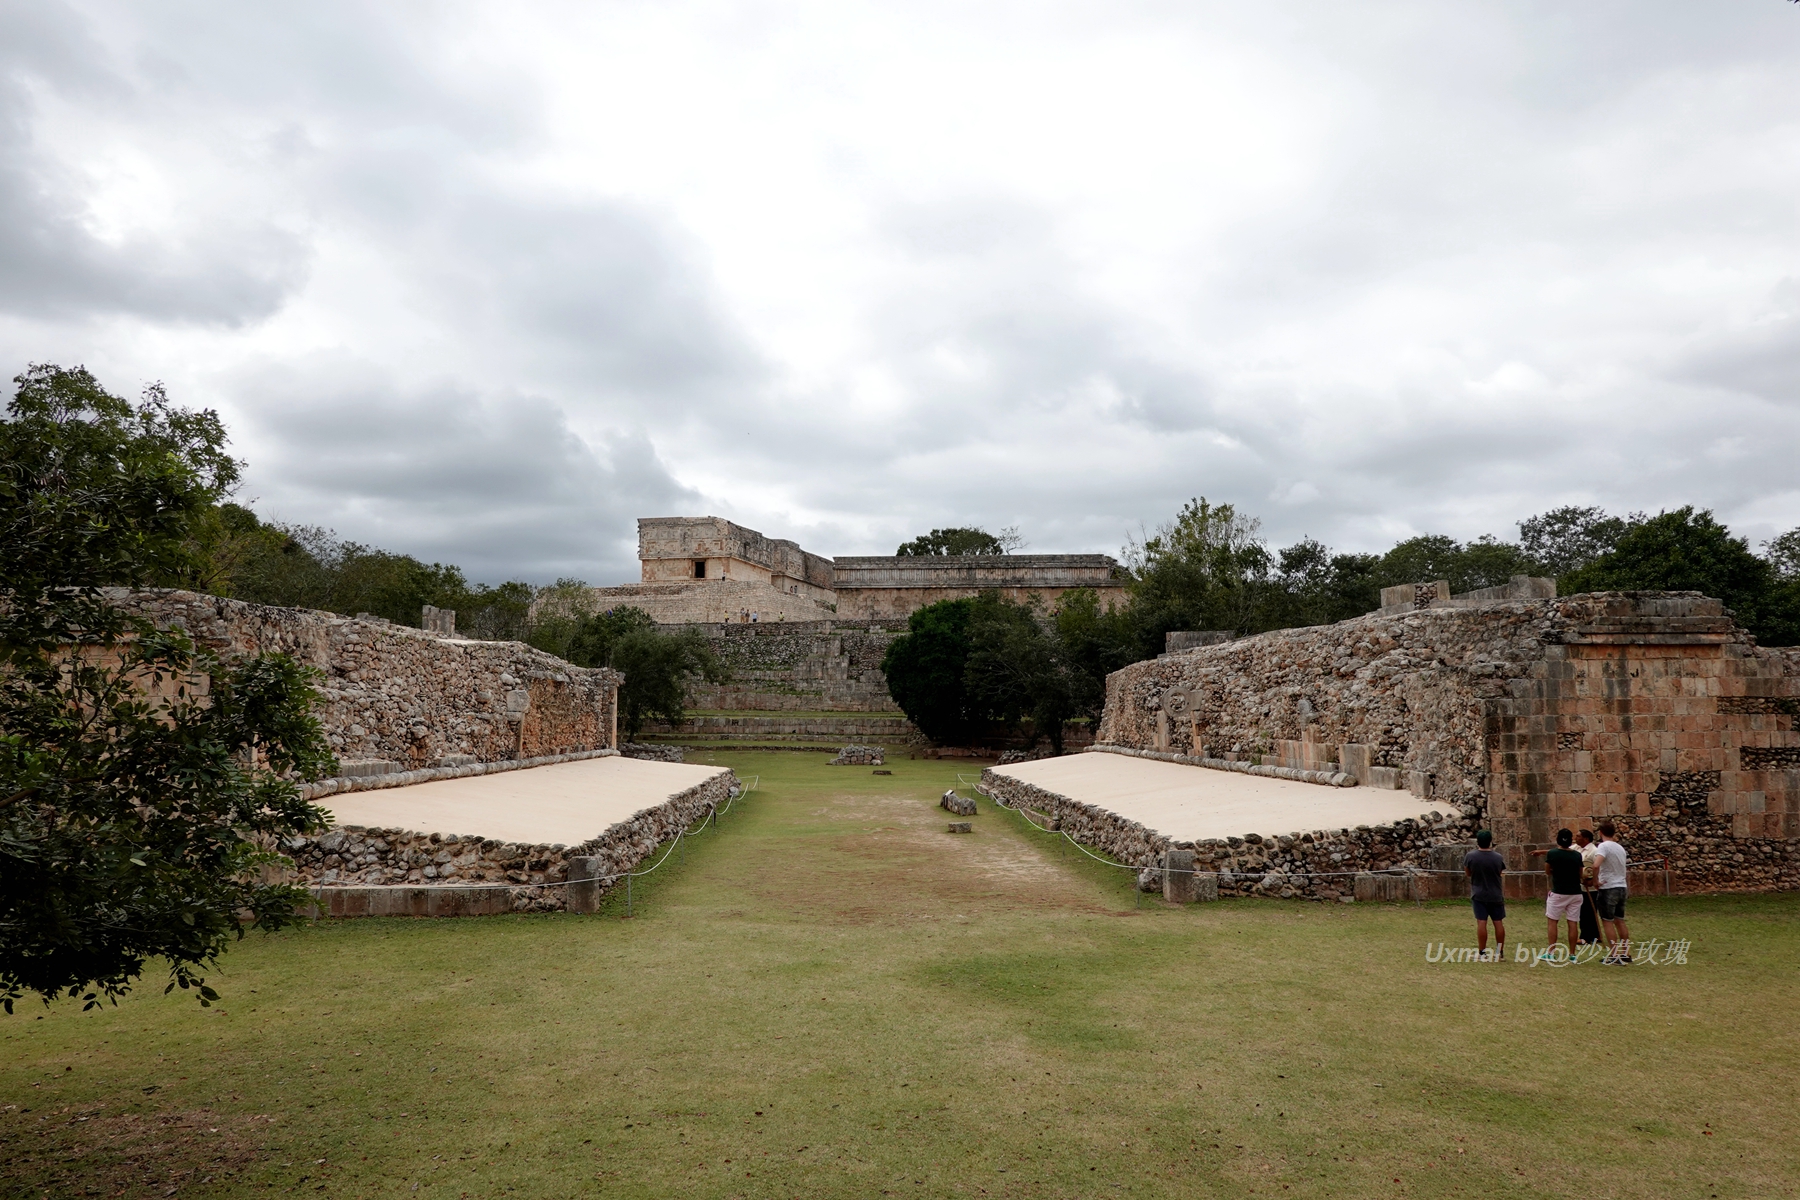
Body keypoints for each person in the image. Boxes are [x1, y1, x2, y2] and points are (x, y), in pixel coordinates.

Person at [1463, 830, 1507, 962]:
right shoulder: (1498, 857)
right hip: (1495, 894)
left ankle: (1482, 952)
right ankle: (1500, 953)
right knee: (1498, 922)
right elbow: (1500, 871)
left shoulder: (1470, 856)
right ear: (1490, 842)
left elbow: (1468, 873)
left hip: (1479, 894)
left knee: (1482, 922)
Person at [1543, 828, 1585, 960]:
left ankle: (1551, 952)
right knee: (1573, 922)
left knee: (1552, 921)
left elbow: (1547, 871)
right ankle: (1572, 954)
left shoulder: (1553, 854)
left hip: (1559, 891)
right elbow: (1581, 873)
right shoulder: (1577, 855)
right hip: (1575, 892)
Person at [1594, 821, 1631, 964]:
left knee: (1607, 921)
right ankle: (1625, 952)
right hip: (1621, 886)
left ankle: (1614, 953)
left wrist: (1595, 881)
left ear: (1601, 832)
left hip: (1608, 887)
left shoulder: (1603, 846)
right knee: (1619, 920)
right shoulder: (1619, 847)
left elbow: (1596, 864)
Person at [1576, 829, 1602, 945]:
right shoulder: (1576, 848)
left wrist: (1592, 880)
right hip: (1581, 886)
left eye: (1578, 836)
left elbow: (1598, 866)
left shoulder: (1594, 851)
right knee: (1586, 911)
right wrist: (1542, 852)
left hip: (1590, 887)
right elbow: (1562, 850)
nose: (1575, 838)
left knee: (1588, 912)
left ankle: (1586, 937)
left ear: (1585, 839)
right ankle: (1595, 935)